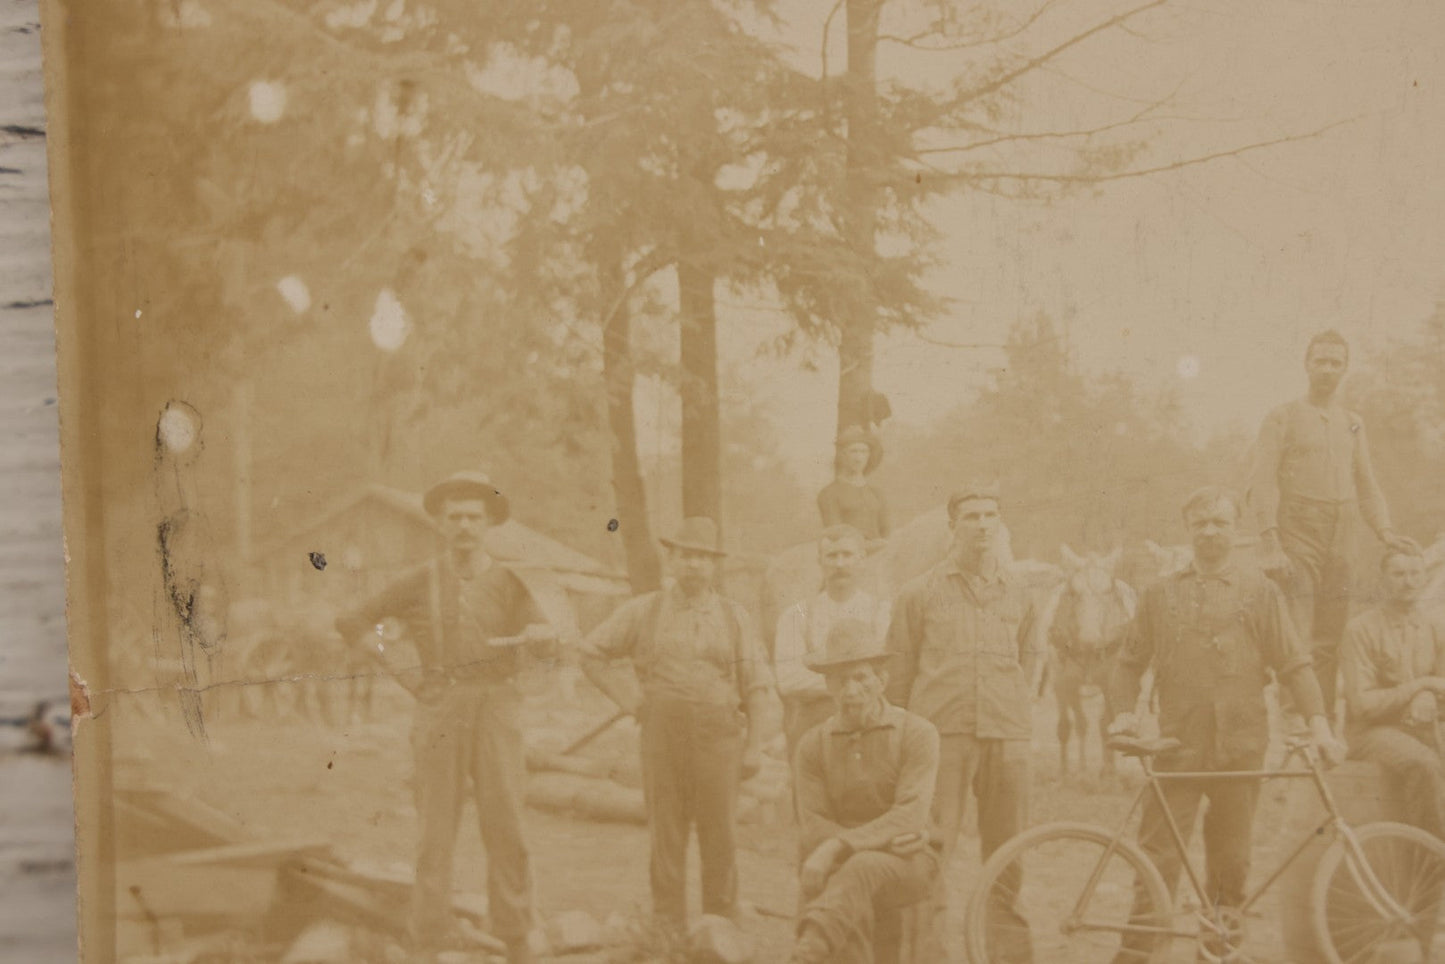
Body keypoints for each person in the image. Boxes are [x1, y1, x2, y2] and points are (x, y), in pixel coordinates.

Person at [1108, 486, 1347, 962]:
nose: (1211, 531)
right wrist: (1124, 713)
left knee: (1231, 864)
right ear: (1188, 530)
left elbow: (1295, 664)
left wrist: (1319, 725)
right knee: (1156, 860)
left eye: (1220, 522)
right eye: (1201, 523)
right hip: (1174, 748)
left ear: (1235, 531)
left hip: (1240, 749)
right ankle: (1135, 955)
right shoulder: (1160, 594)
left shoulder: (1260, 592)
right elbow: (1127, 662)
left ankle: (1217, 954)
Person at [335, 471, 555, 964]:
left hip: (498, 706)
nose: (464, 527)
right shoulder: (419, 579)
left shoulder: (512, 579)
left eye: (474, 518)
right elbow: (351, 620)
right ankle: (429, 938)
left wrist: (542, 637)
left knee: (508, 824)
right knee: (435, 827)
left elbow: (543, 632)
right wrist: (399, 666)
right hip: (440, 707)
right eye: (454, 517)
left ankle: (516, 934)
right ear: (439, 523)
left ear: (488, 524)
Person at [577, 517, 773, 930]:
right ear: (672, 558)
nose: (694, 566)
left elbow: (756, 686)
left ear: (713, 565)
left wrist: (755, 747)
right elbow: (591, 652)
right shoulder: (645, 610)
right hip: (663, 736)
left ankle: (718, 926)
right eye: (686, 556)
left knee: (720, 834)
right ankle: (667, 928)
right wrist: (631, 700)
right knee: (667, 832)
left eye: (703, 558)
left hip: (720, 736)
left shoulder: (733, 616)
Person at [885, 483, 1041, 963]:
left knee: (1008, 853)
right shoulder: (918, 593)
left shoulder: (1022, 593)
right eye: (971, 516)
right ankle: (926, 953)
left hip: (1006, 737)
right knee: (931, 849)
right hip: (941, 738)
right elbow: (898, 676)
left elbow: (1033, 660)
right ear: (952, 527)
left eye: (991, 515)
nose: (982, 525)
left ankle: (1007, 955)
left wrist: (1016, 712)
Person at [1248, 330, 1413, 713]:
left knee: (1331, 636)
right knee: (1298, 632)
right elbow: (1263, 480)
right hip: (1296, 530)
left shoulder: (1353, 422)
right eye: (1320, 361)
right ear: (1306, 365)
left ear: (1345, 369)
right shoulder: (1283, 416)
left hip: (1343, 532)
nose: (1327, 369)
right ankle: (1296, 728)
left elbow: (1367, 484)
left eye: (1335, 362)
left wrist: (1386, 532)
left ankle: (1322, 723)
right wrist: (1270, 540)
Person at [789, 618, 942, 964]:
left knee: (856, 867)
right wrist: (860, 844)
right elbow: (813, 823)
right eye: (840, 681)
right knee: (851, 871)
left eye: (860, 677)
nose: (851, 690)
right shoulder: (813, 744)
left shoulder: (917, 733)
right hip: (858, 857)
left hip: (910, 860)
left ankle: (808, 951)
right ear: (827, 686)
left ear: (882, 680)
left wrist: (839, 844)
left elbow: (911, 814)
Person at [1340, 540, 1445, 838]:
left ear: (1425, 577)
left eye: (1415, 574)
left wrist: (1428, 694)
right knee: (1423, 764)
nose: (1408, 582)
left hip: (1422, 726)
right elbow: (1363, 705)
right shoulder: (1360, 630)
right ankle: (1434, 859)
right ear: (1382, 579)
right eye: (1398, 574)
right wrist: (1420, 686)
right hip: (1370, 733)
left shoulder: (1435, 627)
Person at [774, 524, 892, 763]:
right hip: (812, 727)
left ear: (862, 559)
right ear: (820, 562)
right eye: (832, 556)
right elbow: (788, 680)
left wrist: (826, 678)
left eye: (847, 555)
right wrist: (857, 681)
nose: (839, 564)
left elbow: (887, 674)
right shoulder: (796, 615)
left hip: (868, 726)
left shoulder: (881, 612)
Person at [817, 425, 890, 542]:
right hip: (847, 556)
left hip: (881, 556)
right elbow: (836, 536)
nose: (858, 458)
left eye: (863, 451)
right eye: (853, 451)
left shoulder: (877, 493)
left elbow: (887, 533)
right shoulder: (828, 494)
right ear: (843, 455)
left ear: (869, 455)